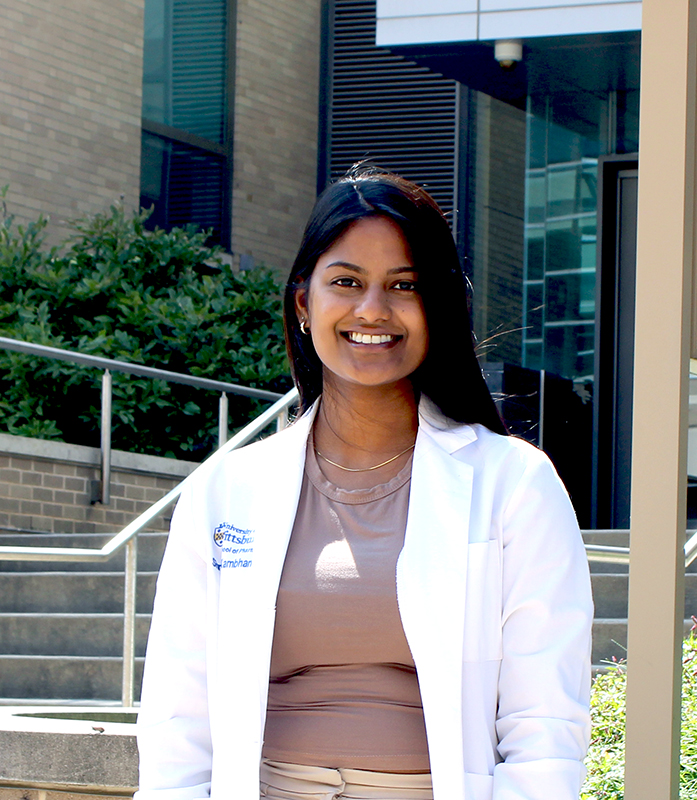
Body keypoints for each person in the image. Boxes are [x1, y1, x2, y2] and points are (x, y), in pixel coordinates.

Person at [134, 166, 593, 800]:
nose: (372, 310)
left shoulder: (514, 484)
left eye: (403, 285)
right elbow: (177, 718)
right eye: (346, 282)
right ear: (304, 303)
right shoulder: (225, 491)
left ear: (438, 307)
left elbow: (544, 724)